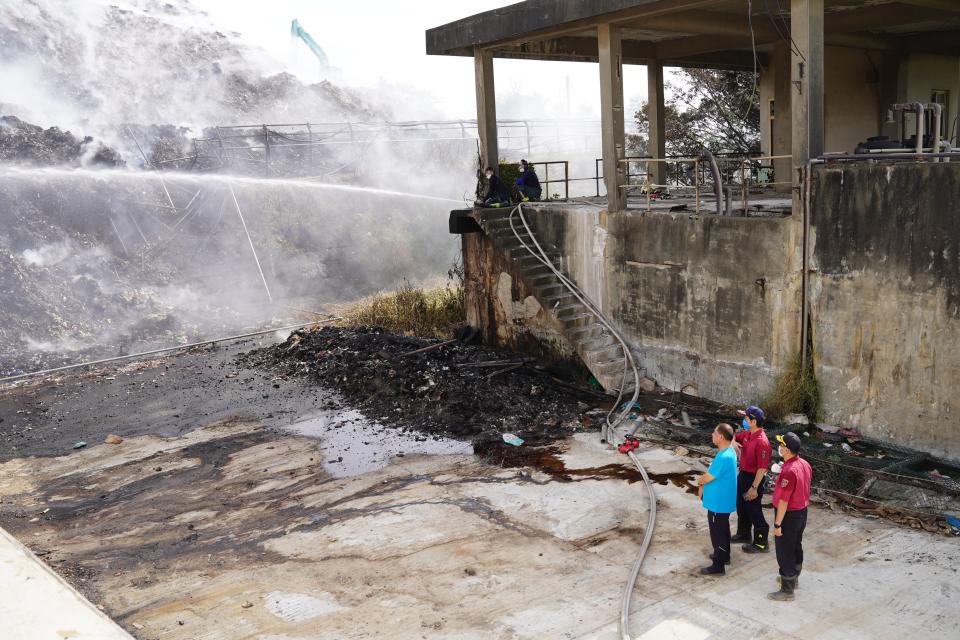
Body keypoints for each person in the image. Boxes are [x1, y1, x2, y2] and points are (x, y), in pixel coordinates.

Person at [768, 432, 813, 601]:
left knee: (785, 550)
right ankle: (794, 579)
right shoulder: (804, 464)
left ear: (786, 449)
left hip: (788, 515)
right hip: (802, 513)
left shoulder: (789, 471)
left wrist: (778, 524)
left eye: (781, 445)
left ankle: (787, 591)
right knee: (795, 545)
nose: (778, 447)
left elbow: (784, 501)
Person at [697, 422, 737, 575]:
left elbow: (709, 477)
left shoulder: (724, 456)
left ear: (720, 437)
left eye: (714, 433)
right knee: (723, 529)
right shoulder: (729, 450)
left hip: (718, 503)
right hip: (722, 501)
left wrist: (699, 483)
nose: (712, 435)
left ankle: (718, 565)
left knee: (717, 534)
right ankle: (724, 555)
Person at [732, 405, 772, 553]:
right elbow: (733, 437)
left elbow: (762, 469)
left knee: (753, 509)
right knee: (741, 506)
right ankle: (744, 534)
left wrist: (754, 488)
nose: (744, 419)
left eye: (746, 417)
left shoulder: (762, 442)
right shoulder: (748, 434)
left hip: (754, 478)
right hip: (743, 475)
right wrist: (733, 443)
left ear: (753, 421)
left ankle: (761, 543)